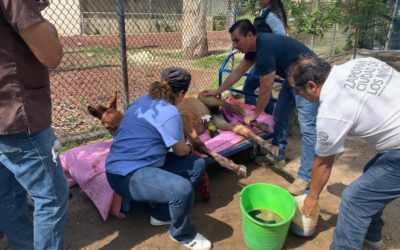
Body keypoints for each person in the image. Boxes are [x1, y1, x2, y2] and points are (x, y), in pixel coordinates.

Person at [287, 54, 400, 250]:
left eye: (298, 89)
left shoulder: (331, 110)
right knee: (372, 174)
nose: (297, 95)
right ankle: (372, 237)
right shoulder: (363, 62)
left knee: (355, 199)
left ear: (312, 85)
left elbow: (323, 163)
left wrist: (312, 196)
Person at [204, 20, 320, 195]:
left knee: (309, 128)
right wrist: (217, 90)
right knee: (280, 116)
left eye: (237, 40)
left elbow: (265, 91)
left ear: (250, 35)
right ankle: (277, 155)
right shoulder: (254, 48)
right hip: (292, 78)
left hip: (310, 79)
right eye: (233, 41)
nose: (235, 46)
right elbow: (237, 72)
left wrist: (255, 115)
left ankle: (306, 177)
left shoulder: (264, 52)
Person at [105, 67, 212, 250]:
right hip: (125, 175)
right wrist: (188, 146)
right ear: (181, 93)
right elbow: (180, 151)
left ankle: (161, 215)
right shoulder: (170, 112)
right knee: (183, 190)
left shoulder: (140, 100)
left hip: (141, 164)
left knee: (197, 164)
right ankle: (183, 234)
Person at [0, 0, 69, 249]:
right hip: (17, 117)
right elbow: (52, 55)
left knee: (8, 192)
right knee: (51, 196)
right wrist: (41, 19)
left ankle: (23, 245)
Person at [243, 0, 289, 115]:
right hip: (261, 59)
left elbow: (281, 38)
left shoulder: (271, 14)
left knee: (249, 89)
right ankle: (267, 117)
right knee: (265, 90)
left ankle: (255, 118)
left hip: (266, 59)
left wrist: (271, 56)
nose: (259, 0)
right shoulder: (267, 12)